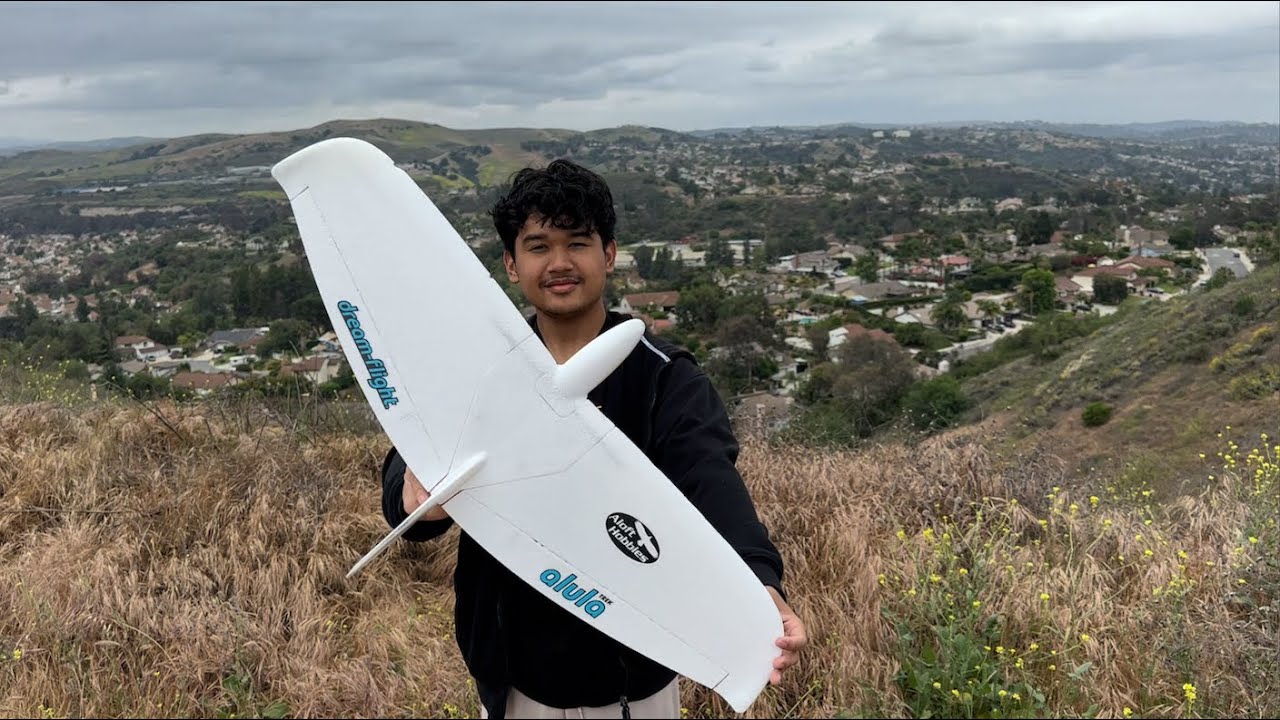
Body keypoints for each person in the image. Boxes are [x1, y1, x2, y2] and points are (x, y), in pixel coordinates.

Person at [379, 159, 806, 719]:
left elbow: (711, 479)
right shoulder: (480, 372)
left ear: (608, 254)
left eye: (577, 243)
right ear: (510, 263)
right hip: (509, 683)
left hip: (632, 686)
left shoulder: (663, 376)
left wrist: (760, 586)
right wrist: (414, 500)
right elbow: (403, 480)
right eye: (538, 246)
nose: (559, 263)